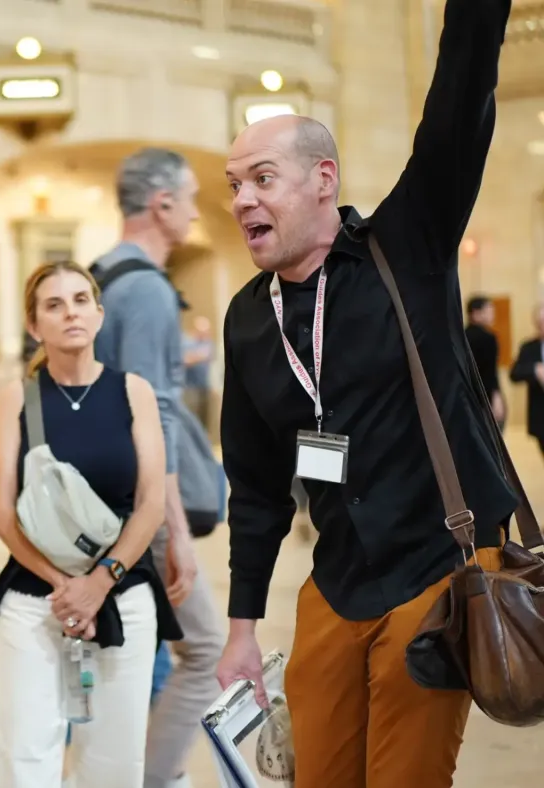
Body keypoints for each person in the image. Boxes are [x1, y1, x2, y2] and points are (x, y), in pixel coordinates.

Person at [217, 0, 515, 784]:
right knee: (315, 774)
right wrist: (241, 625)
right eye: (233, 184)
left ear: (323, 179)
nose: (242, 198)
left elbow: (460, 97)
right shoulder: (250, 320)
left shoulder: (406, 246)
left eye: (261, 178)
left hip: (438, 567)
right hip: (338, 582)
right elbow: (253, 486)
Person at [0, 259, 181, 788]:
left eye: (81, 300)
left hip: (124, 589)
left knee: (114, 758)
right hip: (36, 594)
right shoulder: (18, 397)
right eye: (54, 304)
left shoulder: (133, 391)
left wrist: (99, 582)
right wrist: (67, 588)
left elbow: (151, 501)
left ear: (99, 313)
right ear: (33, 324)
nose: (71, 313)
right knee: (24, 754)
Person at [90, 147, 225, 788]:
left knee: (128, 651)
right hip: (140, 499)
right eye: (192, 197)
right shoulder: (142, 287)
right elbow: (154, 410)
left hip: (103, 496)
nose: (200, 210)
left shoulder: (100, 277)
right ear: (161, 203)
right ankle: (156, 778)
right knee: (202, 650)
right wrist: (171, 526)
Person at [508, 303, 544, 456]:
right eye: (541, 323)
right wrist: (534, 370)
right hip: (541, 416)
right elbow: (514, 374)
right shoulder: (529, 347)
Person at [465, 295, 504, 428]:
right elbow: (490, 372)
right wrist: (496, 396)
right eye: (489, 311)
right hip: (485, 395)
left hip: (465, 397)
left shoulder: (460, 336)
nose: (492, 315)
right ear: (476, 313)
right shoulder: (489, 338)